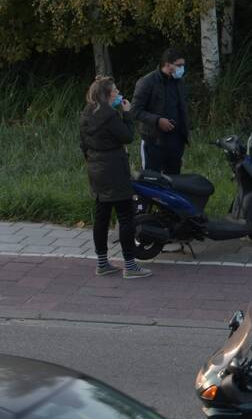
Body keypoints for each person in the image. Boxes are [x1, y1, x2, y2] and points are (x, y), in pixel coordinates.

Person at [79, 76, 152, 279]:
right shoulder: (110, 116)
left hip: (96, 170)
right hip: (114, 170)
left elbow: (82, 144)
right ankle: (130, 266)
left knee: (101, 217)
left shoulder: (86, 114)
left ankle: (102, 263)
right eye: (115, 90)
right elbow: (127, 136)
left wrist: (93, 160)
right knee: (125, 217)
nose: (119, 93)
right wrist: (127, 114)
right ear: (107, 95)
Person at [133, 47, 189, 175]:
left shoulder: (179, 81)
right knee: (152, 180)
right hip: (153, 141)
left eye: (183, 65)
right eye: (179, 65)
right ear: (168, 64)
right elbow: (135, 110)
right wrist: (157, 120)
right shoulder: (147, 82)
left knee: (174, 180)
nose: (182, 69)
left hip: (176, 141)